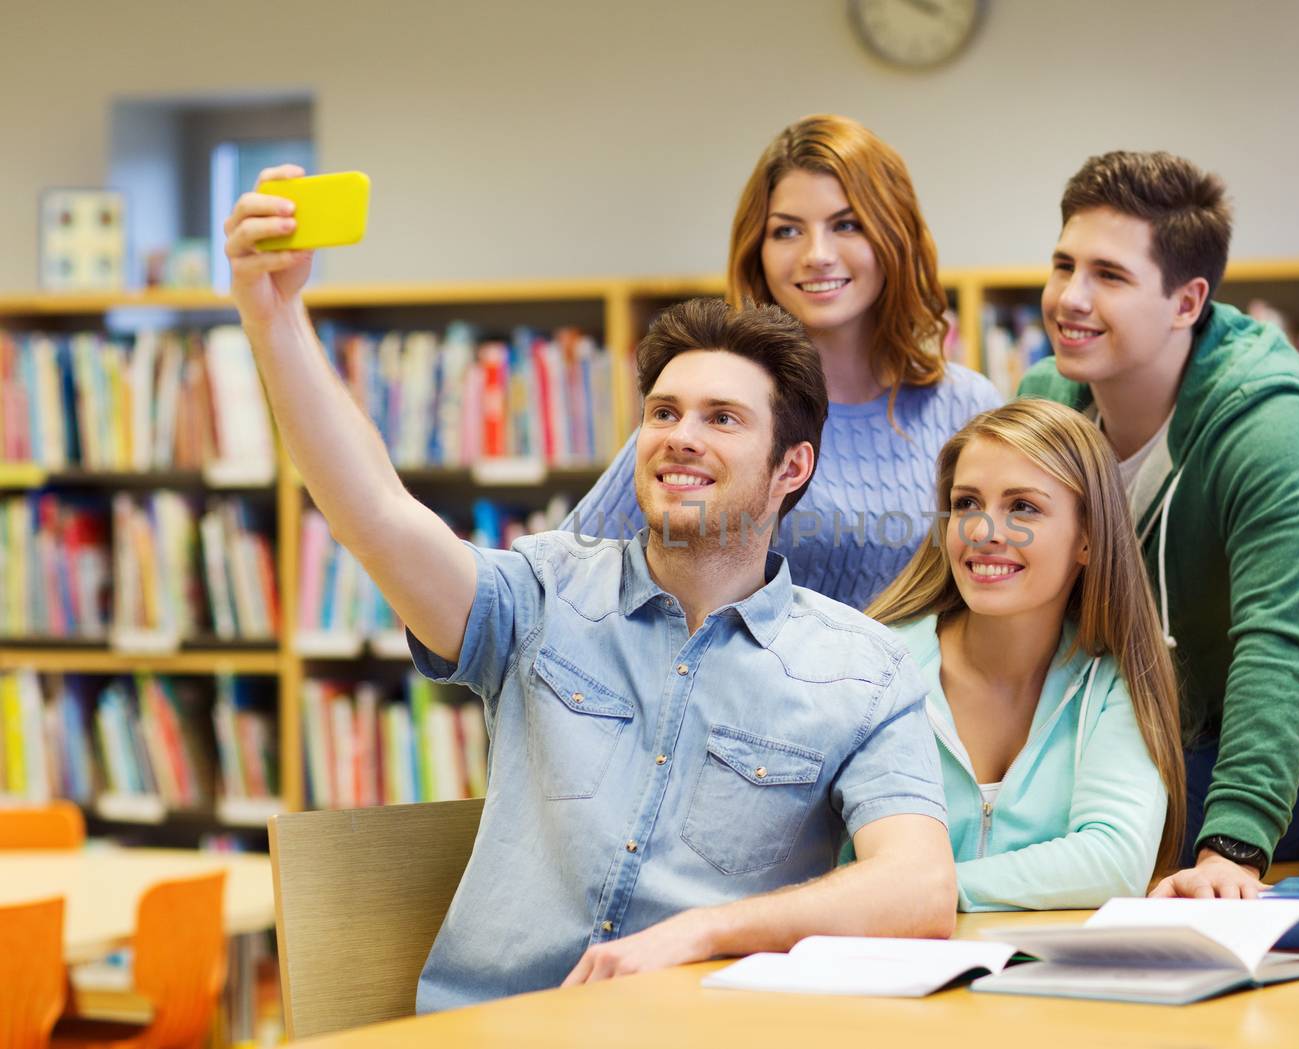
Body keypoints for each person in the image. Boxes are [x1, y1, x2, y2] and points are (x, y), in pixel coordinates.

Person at [225, 174, 956, 1010]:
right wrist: (271, 314)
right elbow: (376, 513)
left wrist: (703, 933)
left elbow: (918, 887)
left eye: (722, 418)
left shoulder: (863, 667)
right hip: (495, 1029)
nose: (680, 437)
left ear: (792, 466)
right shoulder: (540, 594)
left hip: (697, 1030)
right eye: (663, 411)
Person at [1016, 151, 1299, 899]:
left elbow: (1282, 642)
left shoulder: (1272, 428)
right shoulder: (1049, 399)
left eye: (1108, 275)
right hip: (1151, 726)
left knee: (1047, 819)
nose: (1068, 297)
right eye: (1063, 264)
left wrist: (1232, 846)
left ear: (1186, 301)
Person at [566, 114, 1002, 609]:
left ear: (895, 236)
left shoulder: (968, 405)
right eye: (787, 230)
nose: (817, 254)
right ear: (758, 251)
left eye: (847, 225)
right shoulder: (715, 406)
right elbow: (568, 575)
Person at [859, 399, 1184, 908]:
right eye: (966, 503)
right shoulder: (875, 665)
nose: (983, 533)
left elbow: (1115, 861)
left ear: (1089, 538)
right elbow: (843, 863)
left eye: (1023, 507)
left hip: (1042, 979)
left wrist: (930, 890)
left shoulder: (1113, 682)